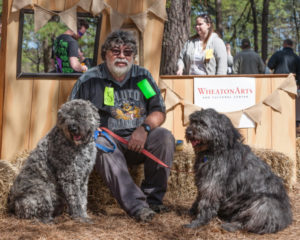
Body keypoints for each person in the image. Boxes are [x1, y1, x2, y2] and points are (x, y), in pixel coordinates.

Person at [69, 30, 175, 222]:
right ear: (105, 54)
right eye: (116, 51)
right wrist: (88, 130)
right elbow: (72, 114)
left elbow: (158, 110)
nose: (122, 56)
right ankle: (138, 208)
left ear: (133, 56)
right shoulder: (90, 80)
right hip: (108, 141)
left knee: (165, 137)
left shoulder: (141, 78)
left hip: (139, 140)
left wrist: (144, 130)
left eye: (127, 52)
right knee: (100, 144)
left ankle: (153, 200)